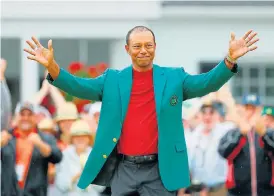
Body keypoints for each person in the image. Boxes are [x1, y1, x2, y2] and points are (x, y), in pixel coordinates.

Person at [24, 26, 259, 195]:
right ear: (127, 49)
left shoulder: (174, 77)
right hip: (123, 168)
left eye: (148, 45)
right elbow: (79, 86)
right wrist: (52, 66)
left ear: (155, 47)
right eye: (137, 46)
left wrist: (229, 60)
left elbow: (207, 83)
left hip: (160, 168)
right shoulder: (112, 80)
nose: (143, 50)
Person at [218, 105, 274, 196]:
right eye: (247, 109)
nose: (250, 113)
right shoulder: (232, 133)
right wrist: (240, 134)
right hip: (237, 192)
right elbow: (224, 153)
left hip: (267, 192)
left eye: (254, 110)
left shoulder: (269, 133)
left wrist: (264, 134)